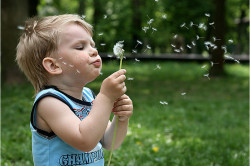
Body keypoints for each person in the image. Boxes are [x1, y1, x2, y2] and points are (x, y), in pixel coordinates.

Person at [16, 14, 133, 166]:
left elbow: (109, 142)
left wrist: (121, 119)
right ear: (53, 66)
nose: (94, 51)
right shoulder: (49, 102)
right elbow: (84, 141)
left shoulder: (89, 96)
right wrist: (105, 97)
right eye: (80, 47)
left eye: (93, 45)